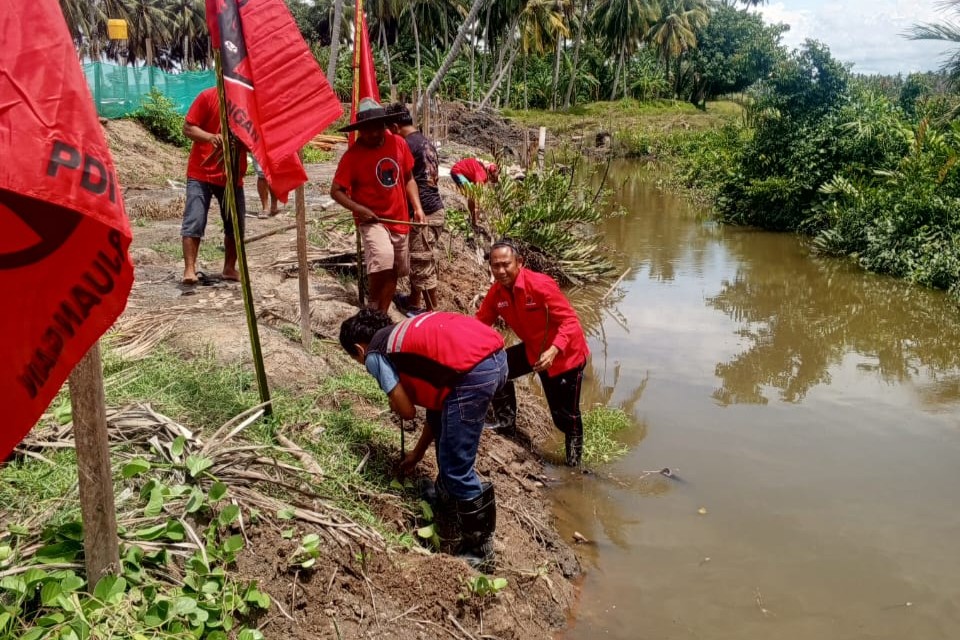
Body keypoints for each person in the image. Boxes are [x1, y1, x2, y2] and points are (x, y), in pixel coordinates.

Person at [339, 309, 508, 569]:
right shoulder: (405, 337)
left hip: (473, 374)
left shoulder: (374, 354)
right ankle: (448, 500)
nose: (365, 367)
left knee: (456, 467)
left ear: (358, 350)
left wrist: (393, 396)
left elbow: (407, 413)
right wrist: (416, 454)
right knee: (446, 432)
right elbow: (436, 410)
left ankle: (480, 552)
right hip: (497, 359)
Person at [476, 240, 590, 467]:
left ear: (520, 262)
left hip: (565, 356)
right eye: (495, 265)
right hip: (534, 351)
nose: (501, 271)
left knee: (565, 418)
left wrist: (554, 349)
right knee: (498, 368)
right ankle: (506, 423)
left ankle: (574, 466)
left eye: (506, 264)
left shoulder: (540, 285)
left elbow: (570, 321)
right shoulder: (497, 292)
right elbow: (480, 323)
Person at [331, 98, 426, 312]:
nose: (373, 134)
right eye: (367, 130)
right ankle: (373, 305)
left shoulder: (398, 143)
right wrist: (358, 209)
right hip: (372, 219)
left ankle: (382, 312)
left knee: (395, 268)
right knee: (383, 258)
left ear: (384, 126)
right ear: (359, 131)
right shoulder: (352, 157)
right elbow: (335, 191)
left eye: (377, 128)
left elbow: (409, 178)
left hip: (398, 217)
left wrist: (417, 208)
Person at [180, 86, 247, 285]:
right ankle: (189, 270)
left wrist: (240, 143)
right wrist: (211, 137)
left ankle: (229, 268)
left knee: (235, 225)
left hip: (232, 177)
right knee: (194, 220)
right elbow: (188, 128)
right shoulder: (208, 97)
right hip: (201, 173)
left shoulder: (248, 103)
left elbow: (255, 141)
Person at [385, 103, 444, 314]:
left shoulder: (405, 145)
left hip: (425, 212)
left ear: (394, 126)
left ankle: (432, 312)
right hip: (432, 209)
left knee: (422, 264)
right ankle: (413, 303)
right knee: (420, 260)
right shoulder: (422, 140)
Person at [450, 157, 499, 226]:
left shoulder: (483, 167)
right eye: (491, 180)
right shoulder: (482, 175)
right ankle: (473, 221)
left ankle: (473, 218)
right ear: (490, 175)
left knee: (473, 195)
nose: (489, 182)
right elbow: (477, 194)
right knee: (472, 195)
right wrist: (477, 209)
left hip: (465, 172)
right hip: (457, 172)